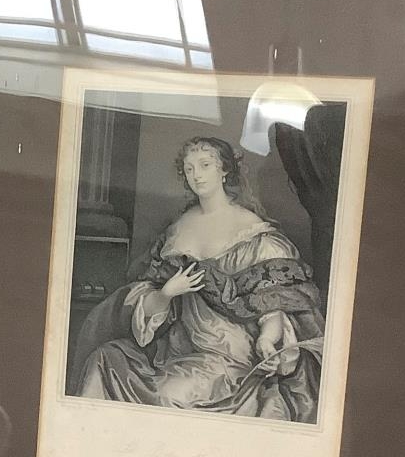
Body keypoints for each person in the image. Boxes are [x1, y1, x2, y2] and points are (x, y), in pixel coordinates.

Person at [70, 136, 324, 422]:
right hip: (173, 347)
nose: (197, 175)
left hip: (228, 354)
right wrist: (166, 294)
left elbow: (273, 302)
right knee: (103, 360)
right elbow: (150, 295)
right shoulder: (177, 230)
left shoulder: (255, 234)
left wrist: (267, 338)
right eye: (189, 169)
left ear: (225, 170)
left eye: (205, 165)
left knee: (168, 395)